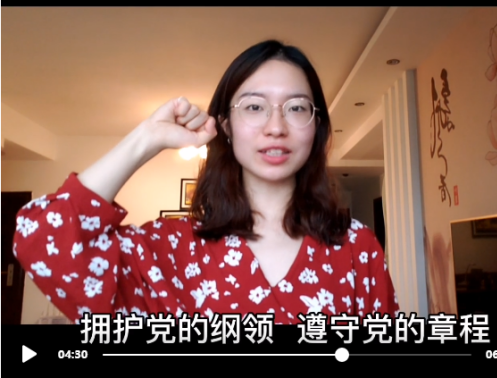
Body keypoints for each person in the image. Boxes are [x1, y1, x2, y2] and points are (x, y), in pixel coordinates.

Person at [13, 40, 399, 325]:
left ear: (316, 126)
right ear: (226, 126)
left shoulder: (356, 246)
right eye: (254, 107)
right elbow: (43, 237)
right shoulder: (170, 249)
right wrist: (146, 138)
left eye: (297, 107)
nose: (275, 127)